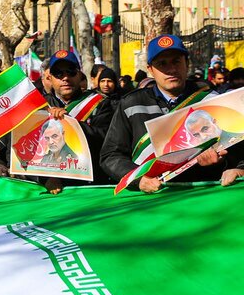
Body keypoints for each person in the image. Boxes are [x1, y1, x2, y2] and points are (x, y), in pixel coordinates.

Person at [100, 34, 244, 191]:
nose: (171, 69)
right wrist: (138, 179)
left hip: (204, 192)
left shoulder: (211, 100)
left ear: (186, 63)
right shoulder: (131, 104)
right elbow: (111, 156)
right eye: (162, 63)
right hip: (152, 200)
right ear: (150, 70)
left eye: (176, 61)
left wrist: (232, 166)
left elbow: (238, 149)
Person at [41, 50, 116, 187]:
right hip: (49, 187)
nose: (65, 78)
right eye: (59, 74)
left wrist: (70, 124)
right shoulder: (40, 106)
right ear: (50, 78)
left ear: (79, 75)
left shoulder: (100, 103)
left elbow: (108, 140)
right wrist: (43, 179)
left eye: (71, 72)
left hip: (89, 185)